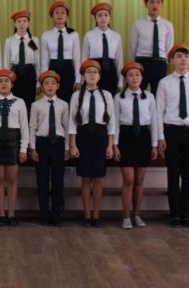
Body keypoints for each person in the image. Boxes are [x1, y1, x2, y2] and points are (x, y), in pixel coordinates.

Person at [157, 43, 189, 228]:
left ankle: (186, 213)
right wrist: (160, 136)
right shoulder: (164, 83)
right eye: (178, 56)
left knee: (188, 174)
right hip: (172, 131)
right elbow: (159, 111)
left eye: (186, 56)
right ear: (171, 61)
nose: (183, 59)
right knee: (173, 172)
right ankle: (175, 214)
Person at [69, 59, 115, 228]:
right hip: (84, 136)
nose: (92, 75)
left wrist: (110, 145)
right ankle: (87, 215)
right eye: (88, 72)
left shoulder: (107, 95)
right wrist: (73, 144)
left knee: (97, 178)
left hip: (100, 137)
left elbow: (111, 123)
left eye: (95, 72)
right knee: (85, 177)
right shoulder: (76, 96)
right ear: (83, 76)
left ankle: (96, 215)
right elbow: (72, 122)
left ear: (99, 76)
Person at [113, 62, 158, 229]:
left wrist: (154, 145)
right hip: (126, 137)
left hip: (143, 138)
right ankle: (126, 216)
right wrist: (115, 145)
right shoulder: (119, 97)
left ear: (142, 77)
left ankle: (137, 215)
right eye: (130, 75)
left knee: (139, 180)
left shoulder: (149, 97)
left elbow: (154, 121)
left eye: (137, 75)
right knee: (128, 180)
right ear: (125, 78)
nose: (134, 78)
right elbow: (115, 123)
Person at [0, 69, 29, 227]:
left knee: (11, 179)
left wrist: (23, 149)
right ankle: (1, 213)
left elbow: (24, 127)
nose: (3, 84)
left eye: (7, 81)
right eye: (0, 81)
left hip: (13, 141)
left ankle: (11, 213)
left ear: (12, 84)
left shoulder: (19, 102)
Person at [29, 70, 70, 227]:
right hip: (42, 144)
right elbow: (32, 127)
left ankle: (56, 214)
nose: (50, 86)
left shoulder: (63, 105)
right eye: (46, 83)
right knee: (42, 182)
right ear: (41, 86)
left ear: (58, 86)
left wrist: (67, 147)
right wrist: (33, 148)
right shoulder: (36, 105)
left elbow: (66, 127)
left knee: (58, 182)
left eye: (53, 83)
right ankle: (44, 215)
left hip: (58, 144)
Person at [130, 0, 174, 95]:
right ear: (146, 4)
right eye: (152, 2)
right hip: (142, 62)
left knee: (159, 94)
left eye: (158, 2)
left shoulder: (167, 25)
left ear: (162, 5)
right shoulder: (138, 24)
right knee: (139, 92)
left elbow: (169, 46)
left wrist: (165, 63)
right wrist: (133, 65)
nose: (155, 5)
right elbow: (133, 46)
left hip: (160, 63)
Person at [41, 1, 81, 103]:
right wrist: (43, 78)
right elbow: (44, 59)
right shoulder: (46, 35)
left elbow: (77, 58)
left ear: (67, 16)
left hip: (68, 68)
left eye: (63, 12)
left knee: (68, 99)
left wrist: (78, 79)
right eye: (57, 12)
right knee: (53, 99)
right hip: (53, 68)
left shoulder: (73, 34)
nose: (59, 15)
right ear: (52, 16)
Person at [4, 9, 40, 113]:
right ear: (15, 24)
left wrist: (38, 82)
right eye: (19, 21)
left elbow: (38, 62)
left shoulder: (34, 40)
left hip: (30, 74)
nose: (22, 24)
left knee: (29, 105)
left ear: (28, 24)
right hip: (15, 74)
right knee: (15, 105)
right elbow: (6, 62)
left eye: (24, 21)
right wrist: (7, 80)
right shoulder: (9, 40)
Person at [82, 3, 122, 95]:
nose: (103, 18)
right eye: (99, 15)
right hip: (94, 71)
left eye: (106, 15)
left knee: (110, 99)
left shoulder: (116, 36)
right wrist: (82, 79)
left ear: (110, 17)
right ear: (95, 18)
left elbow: (119, 60)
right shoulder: (89, 35)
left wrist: (120, 81)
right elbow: (84, 59)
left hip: (111, 72)